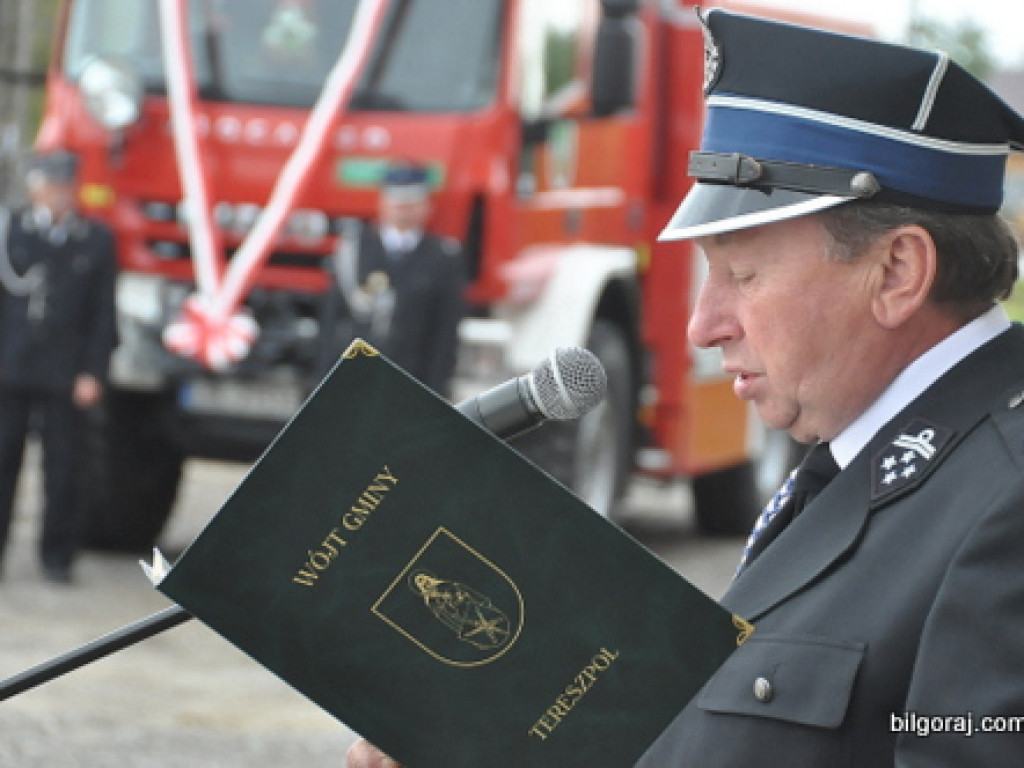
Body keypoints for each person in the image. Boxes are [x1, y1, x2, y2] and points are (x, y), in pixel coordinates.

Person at [348, 10, 1024, 766]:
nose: (705, 324)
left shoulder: (1006, 501)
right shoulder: (879, 460)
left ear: (897, 272)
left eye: (743, 274)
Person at [0, 150, 118, 584]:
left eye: (65, 186)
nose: (57, 194)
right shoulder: (9, 231)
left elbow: (103, 312)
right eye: (50, 186)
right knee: (2, 459)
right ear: (35, 188)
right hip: (10, 365)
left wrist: (94, 371)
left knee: (65, 467)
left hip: (66, 371)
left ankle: (58, 555)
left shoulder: (94, 239)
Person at [321, 161, 466, 398]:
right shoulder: (355, 250)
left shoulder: (443, 257)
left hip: (411, 381)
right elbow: (331, 323)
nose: (404, 211)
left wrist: (435, 393)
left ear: (425, 207)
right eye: (398, 204)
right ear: (383, 204)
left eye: (411, 205)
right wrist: (326, 383)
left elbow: (445, 334)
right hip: (355, 379)